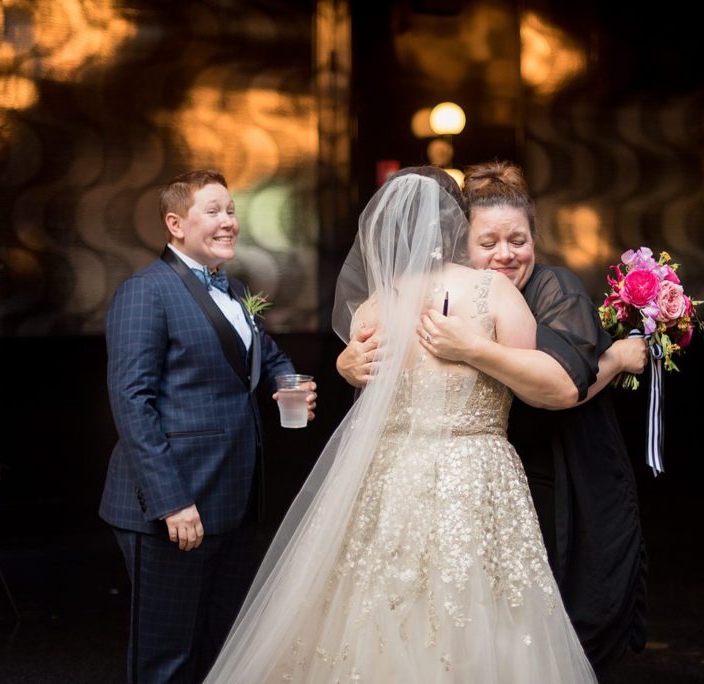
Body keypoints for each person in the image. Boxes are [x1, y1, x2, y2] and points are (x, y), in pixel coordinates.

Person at [204, 169, 597, 682]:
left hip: (389, 476)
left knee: (383, 604)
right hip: (474, 473)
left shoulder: (373, 307)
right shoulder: (492, 291)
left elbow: (369, 385)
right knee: (481, 605)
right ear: (458, 223)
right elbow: (539, 385)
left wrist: (349, 365)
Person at [338, 161, 649, 681]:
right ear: (460, 240)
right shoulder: (481, 292)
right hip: (458, 476)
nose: (505, 254)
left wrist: (475, 348)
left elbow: (559, 385)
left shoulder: (549, 288)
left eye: (518, 240)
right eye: (489, 242)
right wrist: (346, 364)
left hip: (524, 471)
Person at [100, 169, 317, 683]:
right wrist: (171, 500)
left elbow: (269, 353)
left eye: (232, 211)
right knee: (166, 656)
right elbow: (131, 401)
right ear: (175, 223)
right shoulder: (145, 292)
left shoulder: (237, 288)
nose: (229, 223)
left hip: (233, 498)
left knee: (222, 646)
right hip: (172, 503)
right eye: (214, 211)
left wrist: (287, 383)